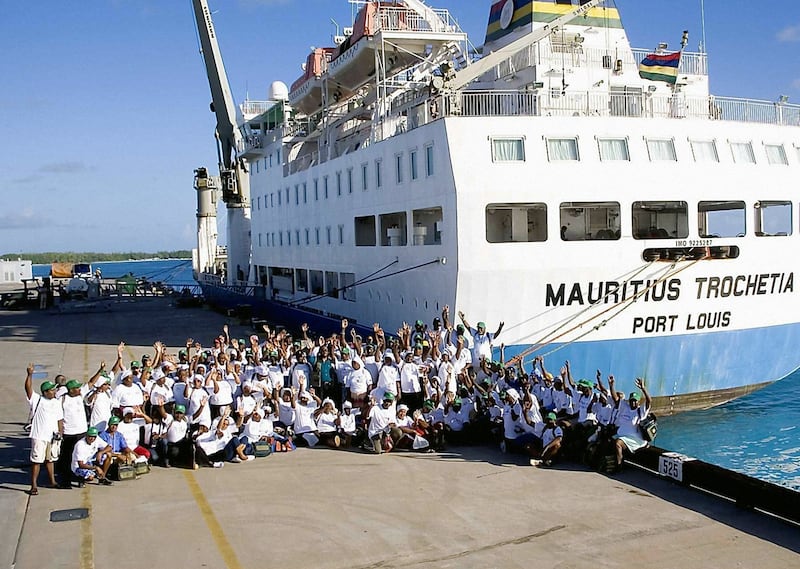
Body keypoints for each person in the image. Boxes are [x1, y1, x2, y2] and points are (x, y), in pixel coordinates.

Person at [24, 364, 64, 495]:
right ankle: (33, 485)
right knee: (36, 461)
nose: (54, 392)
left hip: (52, 437)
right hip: (39, 436)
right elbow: (28, 389)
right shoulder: (37, 400)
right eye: (52, 390)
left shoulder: (56, 402)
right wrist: (29, 374)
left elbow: (59, 419)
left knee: (50, 459)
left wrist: (60, 432)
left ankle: (52, 481)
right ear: (45, 392)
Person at [609, 376, 652, 470]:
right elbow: (615, 398)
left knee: (618, 443)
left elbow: (649, 401)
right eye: (632, 401)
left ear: (638, 402)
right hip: (622, 435)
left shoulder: (640, 411)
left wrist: (643, 388)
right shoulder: (625, 407)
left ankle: (619, 466)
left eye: (635, 401)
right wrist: (611, 385)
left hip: (634, 439)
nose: (633, 403)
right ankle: (611, 463)